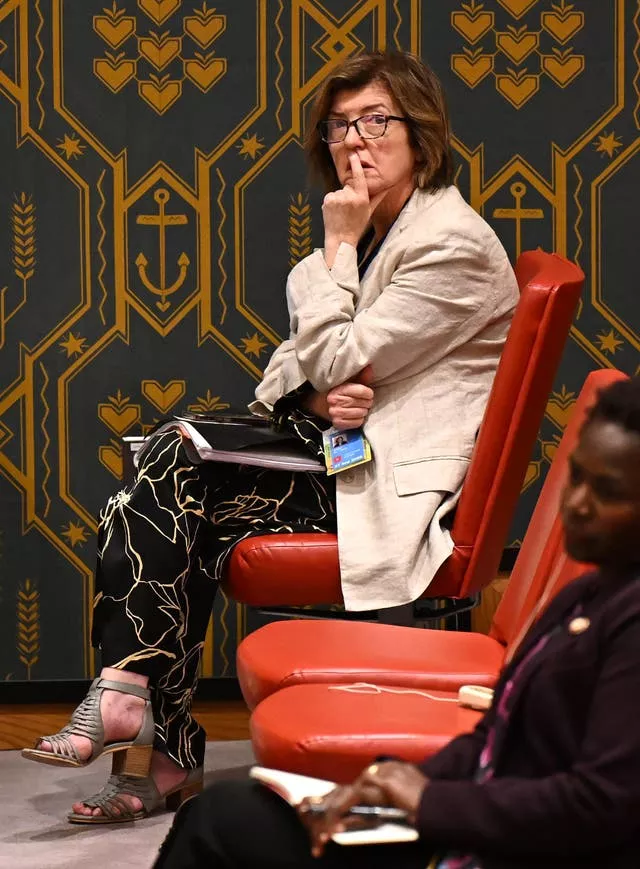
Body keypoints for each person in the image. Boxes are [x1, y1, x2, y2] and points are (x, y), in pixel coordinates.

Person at [21, 51, 517, 823]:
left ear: (422, 134)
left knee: (173, 458)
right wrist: (319, 388)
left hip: (386, 487)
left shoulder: (451, 244)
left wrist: (335, 254)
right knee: (159, 483)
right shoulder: (387, 231)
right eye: (340, 126)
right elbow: (290, 370)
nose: (355, 142)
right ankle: (153, 733)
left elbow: (329, 348)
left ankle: (139, 719)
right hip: (337, 455)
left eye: (376, 121)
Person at [153, 374, 640, 869]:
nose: (577, 504)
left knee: (222, 825)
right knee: (225, 812)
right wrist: (388, 784)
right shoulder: (587, 594)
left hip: (508, 847)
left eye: (607, 491)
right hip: (471, 825)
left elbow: (603, 805)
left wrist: (428, 803)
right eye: (577, 477)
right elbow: (495, 736)